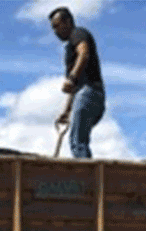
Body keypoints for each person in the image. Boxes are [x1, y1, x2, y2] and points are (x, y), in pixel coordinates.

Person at [50, 6, 106, 159]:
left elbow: (84, 54)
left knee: (77, 141)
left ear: (68, 22)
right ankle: (88, 170)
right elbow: (73, 87)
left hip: (89, 92)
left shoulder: (78, 33)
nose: (55, 31)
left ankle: (87, 173)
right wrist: (67, 110)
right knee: (78, 139)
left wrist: (72, 78)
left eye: (57, 26)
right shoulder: (69, 50)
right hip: (87, 94)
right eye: (53, 28)